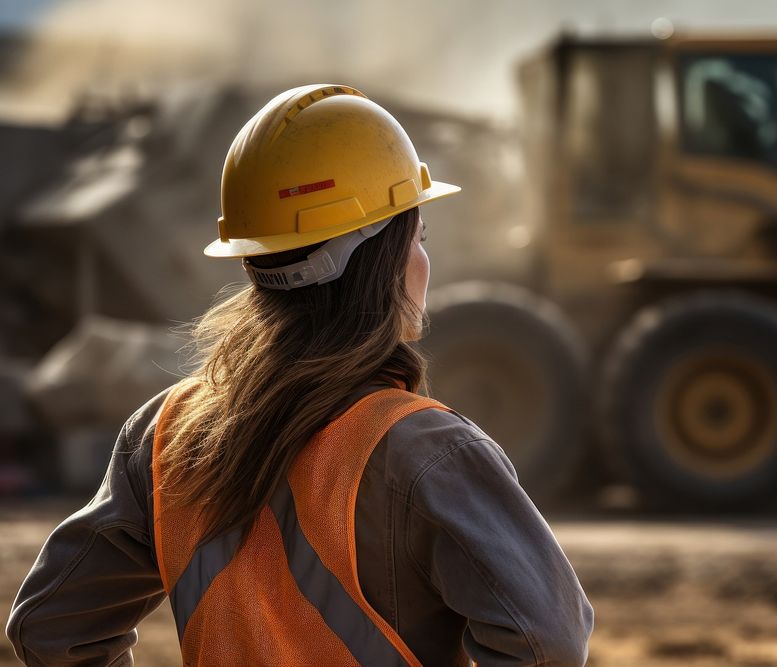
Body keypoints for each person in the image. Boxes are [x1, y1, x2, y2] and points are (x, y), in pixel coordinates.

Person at [6, 84, 593, 666]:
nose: (424, 260)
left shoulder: (165, 433)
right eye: (418, 236)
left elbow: (51, 629)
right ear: (380, 260)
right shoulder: (428, 452)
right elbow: (546, 644)